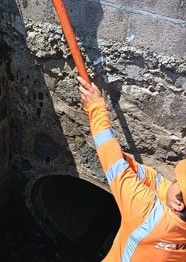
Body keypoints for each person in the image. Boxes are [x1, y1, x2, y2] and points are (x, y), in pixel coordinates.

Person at [77, 76, 186, 260]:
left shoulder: (146, 213)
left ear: (178, 204)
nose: (172, 181)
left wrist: (95, 107)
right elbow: (156, 182)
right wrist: (124, 162)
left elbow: (113, 164)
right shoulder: (175, 221)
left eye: (177, 182)